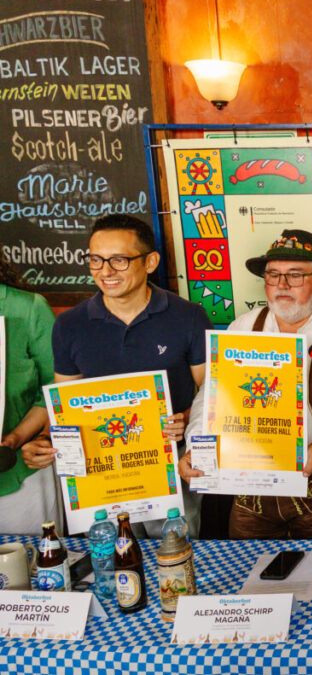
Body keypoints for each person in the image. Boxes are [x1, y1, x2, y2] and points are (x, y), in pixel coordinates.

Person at [20, 214, 211, 537]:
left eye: (119, 260)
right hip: (101, 469)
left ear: (150, 262)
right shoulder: (70, 325)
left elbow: (212, 393)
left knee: (177, 557)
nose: (105, 271)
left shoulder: (188, 316)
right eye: (96, 260)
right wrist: (43, 441)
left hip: (170, 463)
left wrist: (186, 418)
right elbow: (64, 405)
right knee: (115, 564)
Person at [181, 230, 312, 540]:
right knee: (244, 571)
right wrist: (195, 445)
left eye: (295, 276)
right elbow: (212, 397)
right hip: (249, 489)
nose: (282, 286)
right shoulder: (243, 327)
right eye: (273, 275)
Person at [0, 250, 59, 534]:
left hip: (20, 470)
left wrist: (16, 438)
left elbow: (57, 388)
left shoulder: (27, 308)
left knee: (36, 567)